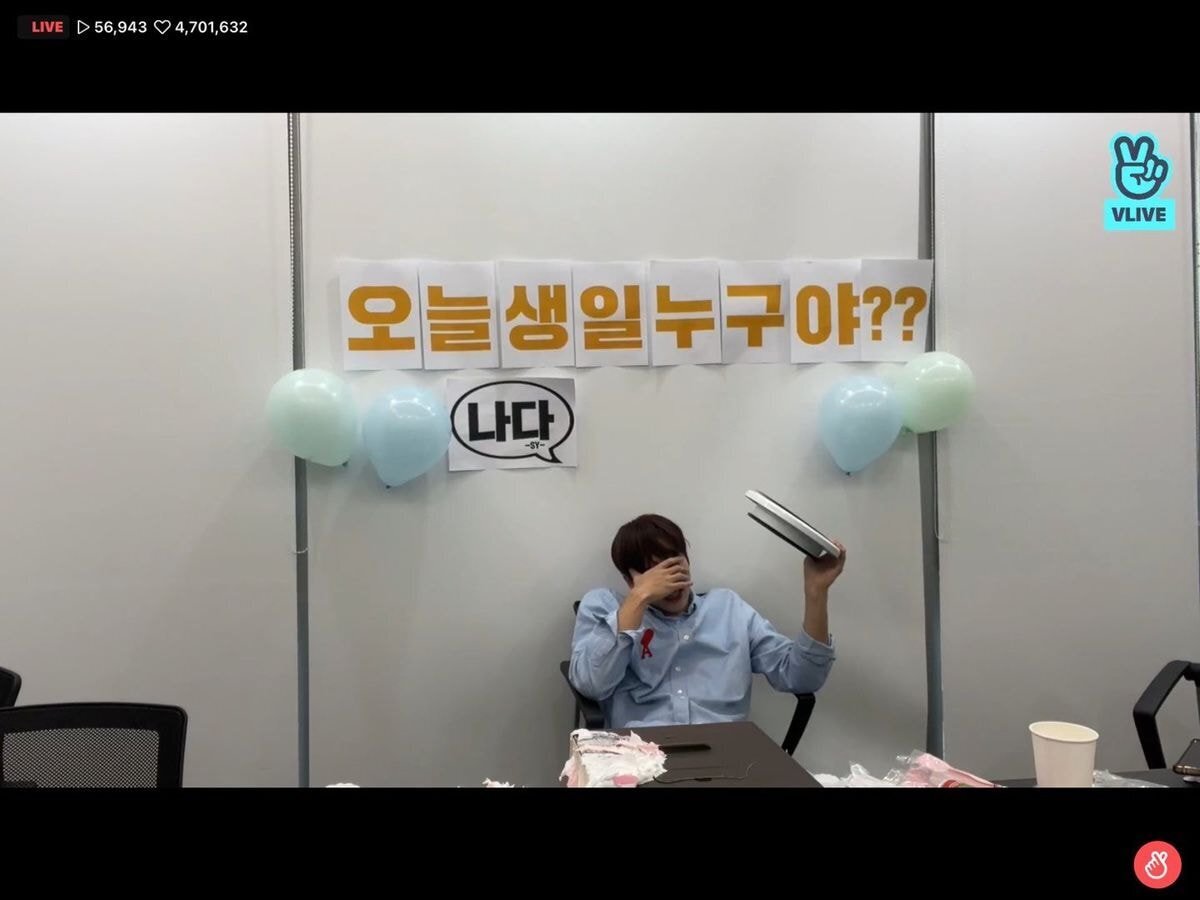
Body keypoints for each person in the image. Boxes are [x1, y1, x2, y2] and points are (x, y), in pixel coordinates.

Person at [568, 513, 845, 729]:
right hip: (640, 753)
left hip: (725, 752)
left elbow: (802, 677)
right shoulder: (605, 607)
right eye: (654, 572)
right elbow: (591, 684)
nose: (669, 582)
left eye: (674, 564)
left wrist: (816, 592)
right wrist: (639, 598)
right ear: (630, 580)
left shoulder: (728, 609)